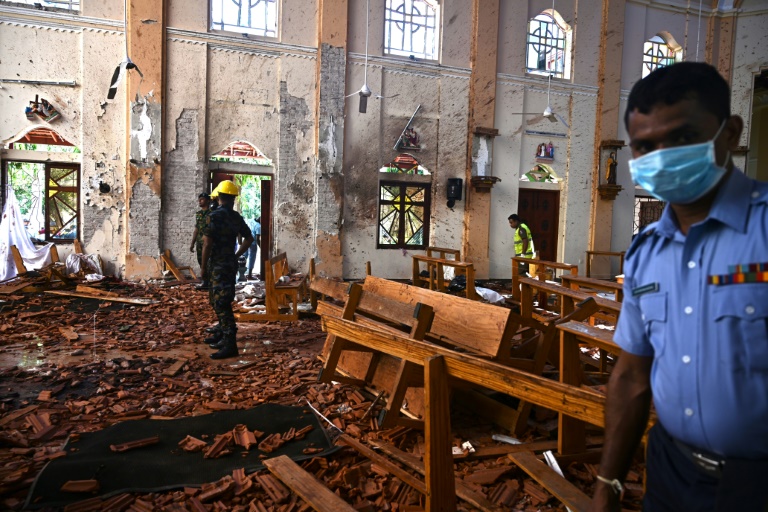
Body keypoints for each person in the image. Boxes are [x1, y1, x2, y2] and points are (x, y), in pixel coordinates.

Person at [589, 62, 768, 512]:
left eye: (683, 138)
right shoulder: (646, 253)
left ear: (730, 133)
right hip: (670, 470)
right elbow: (631, 377)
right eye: (646, 146)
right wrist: (607, 483)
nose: (663, 155)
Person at [200, 180, 253, 359]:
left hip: (216, 265)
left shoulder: (213, 216)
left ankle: (230, 344)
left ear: (219, 197)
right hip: (229, 264)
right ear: (232, 199)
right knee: (220, 301)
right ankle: (223, 335)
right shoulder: (236, 217)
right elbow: (249, 239)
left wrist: (202, 268)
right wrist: (236, 255)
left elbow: (207, 244)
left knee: (220, 303)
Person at [189, 192, 210, 288]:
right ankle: (205, 282)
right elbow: (196, 229)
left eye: (202, 199)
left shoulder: (212, 213)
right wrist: (192, 243)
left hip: (208, 242)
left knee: (209, 262)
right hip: (199, 242)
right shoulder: (198, 214)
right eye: (199, 200)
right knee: (200, 260)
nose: (200, 201)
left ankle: (210, 282)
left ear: (208, 201)